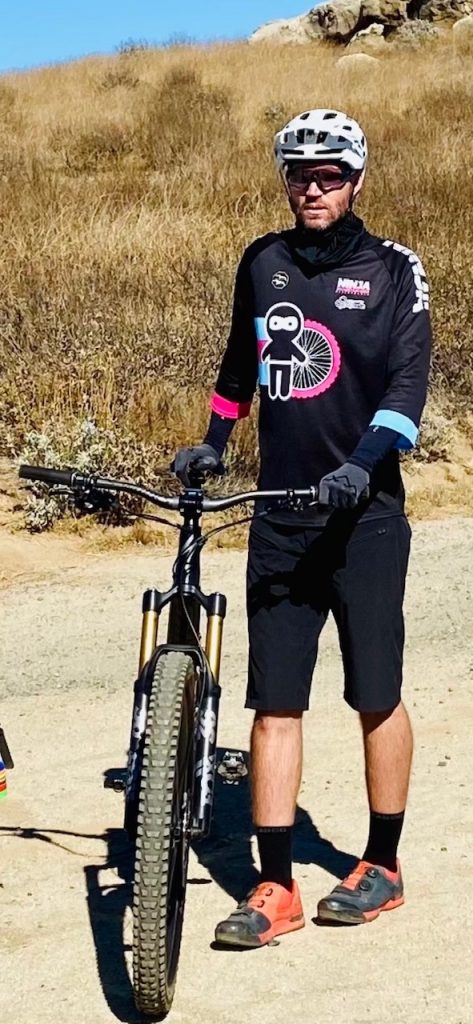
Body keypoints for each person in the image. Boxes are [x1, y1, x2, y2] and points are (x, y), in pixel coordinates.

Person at [173, 108, 431, 946]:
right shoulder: (263, 261)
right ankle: (275, 886)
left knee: (374, 693)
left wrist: (363, 461)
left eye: (328, 176)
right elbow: (238, 368)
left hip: (365, 518)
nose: (312, 188)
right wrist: (213, 442)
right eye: (298, 174)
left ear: (355, 179)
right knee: (274, 703)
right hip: (281, 515)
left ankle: (381, 865)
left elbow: (406, 388)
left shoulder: (393, 268)